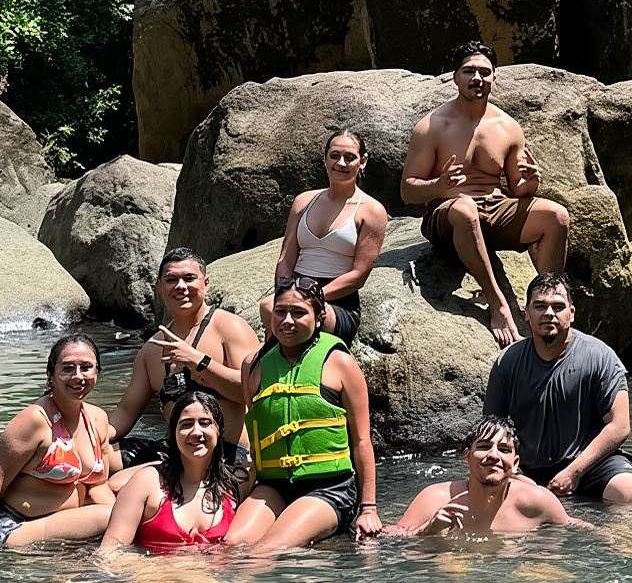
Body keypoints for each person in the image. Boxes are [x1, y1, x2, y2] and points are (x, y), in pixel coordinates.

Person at [401, 40, 570, 347]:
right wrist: (438, 186)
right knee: (464, 208)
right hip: (449, 215)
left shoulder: (507, 126)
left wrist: (532, 182)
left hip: (494, 209)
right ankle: (497, 302)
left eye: (484, 72)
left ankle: (547, 301)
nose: (476, 78)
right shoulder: (432, 126)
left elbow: (519, 189)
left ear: (494, 77)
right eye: (468, 71)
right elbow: (407, 191)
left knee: (557, 216)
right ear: (455, 77)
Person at [225, 278, 381, 554]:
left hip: (330, 488)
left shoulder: (340, 363)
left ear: (319, 317)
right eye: (280, 312)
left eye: (299, 313)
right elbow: (256, 440)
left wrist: (368, 509)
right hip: (273, 485)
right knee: (232, 546)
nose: (287, 321)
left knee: (267, 550)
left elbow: (362, 441)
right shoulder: (253, 366)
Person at [483, 273, 632, 505]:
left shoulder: (600, 357)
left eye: (558, 307)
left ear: (571, 313)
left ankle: (611, 540)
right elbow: (491, 429)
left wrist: (574, 472)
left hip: (589, 464)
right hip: (526, 468)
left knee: (631, 492)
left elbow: (620, 426)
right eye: (539, 306)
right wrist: (516, 474)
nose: (549, 313)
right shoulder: (507, 362)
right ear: (526, 315)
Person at [108, 248, 260, 480]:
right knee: (97, 457)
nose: (181, 286)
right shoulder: (150, 351)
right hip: (174, 453)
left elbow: (253, 391)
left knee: (121, 485)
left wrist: (198, 362)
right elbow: (126, 410)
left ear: (205, 283)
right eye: (171, 280)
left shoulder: (229, 328)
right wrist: (87, 435)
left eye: (189, 278)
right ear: (159, 287)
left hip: (227, 455)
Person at [0, 335, 113, 546]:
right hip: (14, 526)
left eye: (86, 367)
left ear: (97, 372)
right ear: (51, 376)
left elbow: (98, 485)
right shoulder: (35, 420)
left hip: (58, 525)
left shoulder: (98, 419)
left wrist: (132, 521)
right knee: (109, 518)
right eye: (68, 368)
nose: (78, 376)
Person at [260, 130, 388, 346]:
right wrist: (285, 291)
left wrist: (313, 298)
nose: (341, 163)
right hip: (296, 287)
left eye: (349, 157)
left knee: (303, 317)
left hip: (337, 302)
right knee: (268, 307)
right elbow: (286, 259)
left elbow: (358, 275)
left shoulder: (371, 210)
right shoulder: (303, 201)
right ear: (325, 159)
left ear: (362, 161)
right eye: (335, 155)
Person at [99, 390, 242, 554]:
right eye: (186, 424)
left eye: (204, 422)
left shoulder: (231, 486)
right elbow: (110, 553)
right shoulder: (148, 482)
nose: (196, 432)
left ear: (219, 431)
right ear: (173, 434)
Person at [388, 415, 576, 535]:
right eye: (484, 447)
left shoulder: (537, 501)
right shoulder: (435, 499)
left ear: (516, 463)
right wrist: (428, 529)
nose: (494, 455)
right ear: (466, 457)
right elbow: (390, 537)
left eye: (503, 449)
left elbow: (576, 529)